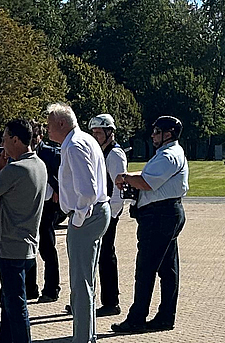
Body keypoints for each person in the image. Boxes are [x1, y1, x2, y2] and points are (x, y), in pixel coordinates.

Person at [110, 116, 190, 334]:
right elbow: (148, 176)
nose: (153, 135)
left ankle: (137, 318)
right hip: (166, 213)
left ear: (168, 134)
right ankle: (165, 317)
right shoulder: (169, 153)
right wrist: (130, 176)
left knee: (146, 269)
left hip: (159, 216)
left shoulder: (167, 156)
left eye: (156, 132)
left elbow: (146, 182)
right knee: (167, 269)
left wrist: (126, 178)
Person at [0, 119, 48, 343]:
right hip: (28, 246)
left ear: (15, 140)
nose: (2, 144)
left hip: (10, 247)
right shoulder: (39, 165)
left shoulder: (14, 169)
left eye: (4, 138)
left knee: (16, 308)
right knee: (8, 304)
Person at [45, 104, 109, 343]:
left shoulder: (74, 145)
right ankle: (87, 335)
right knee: (86, 281)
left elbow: (88, 190)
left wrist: (78, 218)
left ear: (62, 123)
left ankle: (82, 338)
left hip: (87, 215)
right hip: (94, 213)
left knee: (80, 283)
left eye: (50, 124)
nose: (47, 129)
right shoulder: (82, 140)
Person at [87, 114, 127, 317]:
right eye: (93, 132)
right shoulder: (100, 151)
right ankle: (88, 299)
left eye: (99, 132)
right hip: (98, 211)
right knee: (96, 256)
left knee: (106, 255)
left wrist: (112, 214)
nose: (96, 136)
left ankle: (111, 302)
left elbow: (119, 187)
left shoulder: (115, 154)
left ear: (110, 132)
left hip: (108, 212)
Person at [27, 135, 63, 303]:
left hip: (48, 206)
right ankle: (30, 288)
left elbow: (63, 173)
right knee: (29, 247)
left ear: (40, 136)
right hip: (30, 204)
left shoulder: (51, 153)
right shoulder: (23, 153)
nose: (32, 140)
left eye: (35, 136)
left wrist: (57, 189)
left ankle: (51, 289)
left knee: (47, 248)